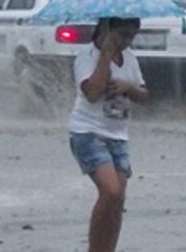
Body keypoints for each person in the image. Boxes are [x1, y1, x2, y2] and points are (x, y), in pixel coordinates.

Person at [67, 17, 149, 252]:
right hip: (88, 133)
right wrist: (106, 55)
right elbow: (92, 93)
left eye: (131, 37)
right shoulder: (87, 57)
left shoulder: (130, 59)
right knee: (110, 190)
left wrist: (129, 88)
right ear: (105, 30)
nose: (126, 41)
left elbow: (144, 95)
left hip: (118, 136)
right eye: (122, 35)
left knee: (117, 199)